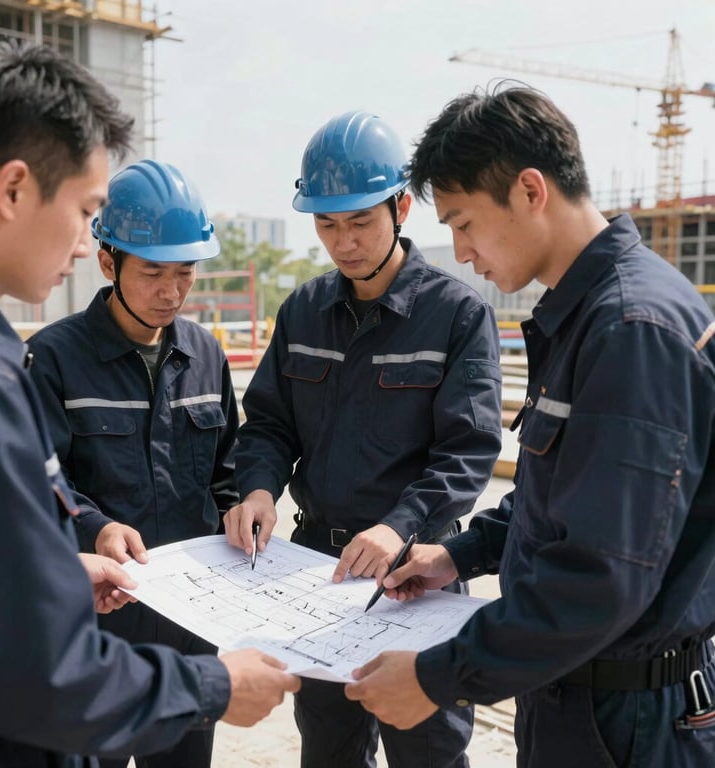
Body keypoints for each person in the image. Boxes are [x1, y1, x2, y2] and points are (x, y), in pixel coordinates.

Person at [0, 41, 299, 768]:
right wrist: (211, 688)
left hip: (173, 618)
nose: (82, 244)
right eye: (83, 211)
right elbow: (36, 674)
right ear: (13, 190)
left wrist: (57, 569)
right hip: (93, 671)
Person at [344, 84, 715, 767]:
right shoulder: (589, 318)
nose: (459, 252)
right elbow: (575, 498)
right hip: (581, 700)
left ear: (529, 191)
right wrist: (462, 552)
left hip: (628, 724)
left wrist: (436, 676)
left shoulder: (632, 329)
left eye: (462, 222)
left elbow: (602, 574)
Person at [225, 110, 503, 768]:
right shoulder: (302, 310)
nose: (343, 242)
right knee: (327, 749)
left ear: (401, 207)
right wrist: (259, 488)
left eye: (359, 222)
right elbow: (268, 422)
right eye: (327, 224)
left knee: (427, 753)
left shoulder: (457, 316)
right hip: (315, 574)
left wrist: (401, 525)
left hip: (417, 577)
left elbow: (468, 453)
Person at [26, 158, 240, 768]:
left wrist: (242, 507)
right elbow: (37, 484)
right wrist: (94, 529)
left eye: (185, 273)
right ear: (108, 261)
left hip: (190, 623)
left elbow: (227, 467)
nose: (171, 291)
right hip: (96, 621)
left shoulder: (205, 354)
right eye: (152, 272)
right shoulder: (54, 359)